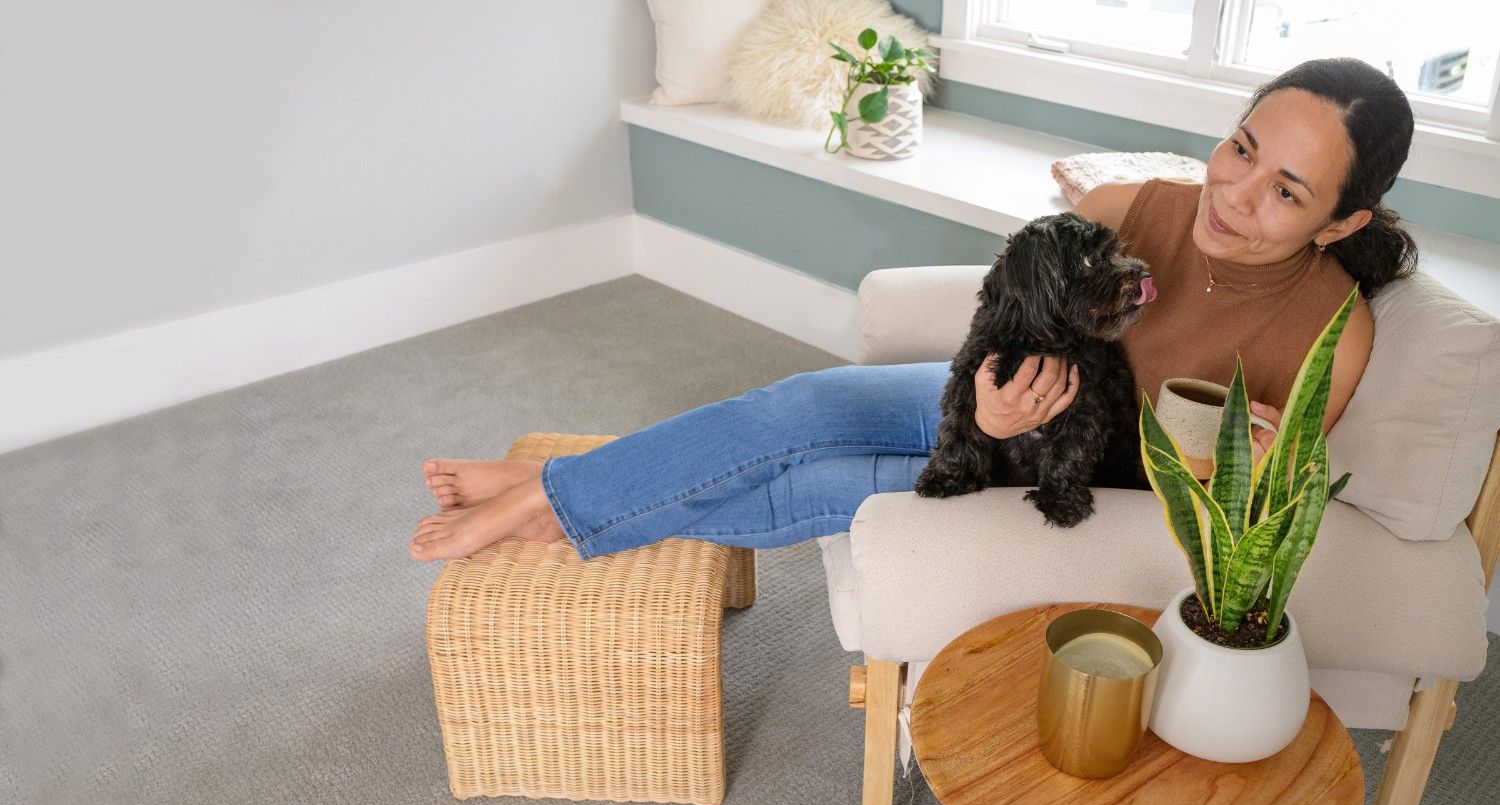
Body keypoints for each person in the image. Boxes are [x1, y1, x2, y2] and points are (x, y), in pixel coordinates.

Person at [409, 57, 1418, 563]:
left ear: (1342, 221)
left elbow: (1240, 520)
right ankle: (559, 491)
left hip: (1062, 480)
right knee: (795, 406)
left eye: (1287, 191)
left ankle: (556, 504)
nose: (1234, 195)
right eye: (1241, 148)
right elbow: (1008, 316)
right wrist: (985, 403)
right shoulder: (1136, 206)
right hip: (995, 405)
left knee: (818, 486)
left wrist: (1248, 464)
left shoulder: (1333, 333)